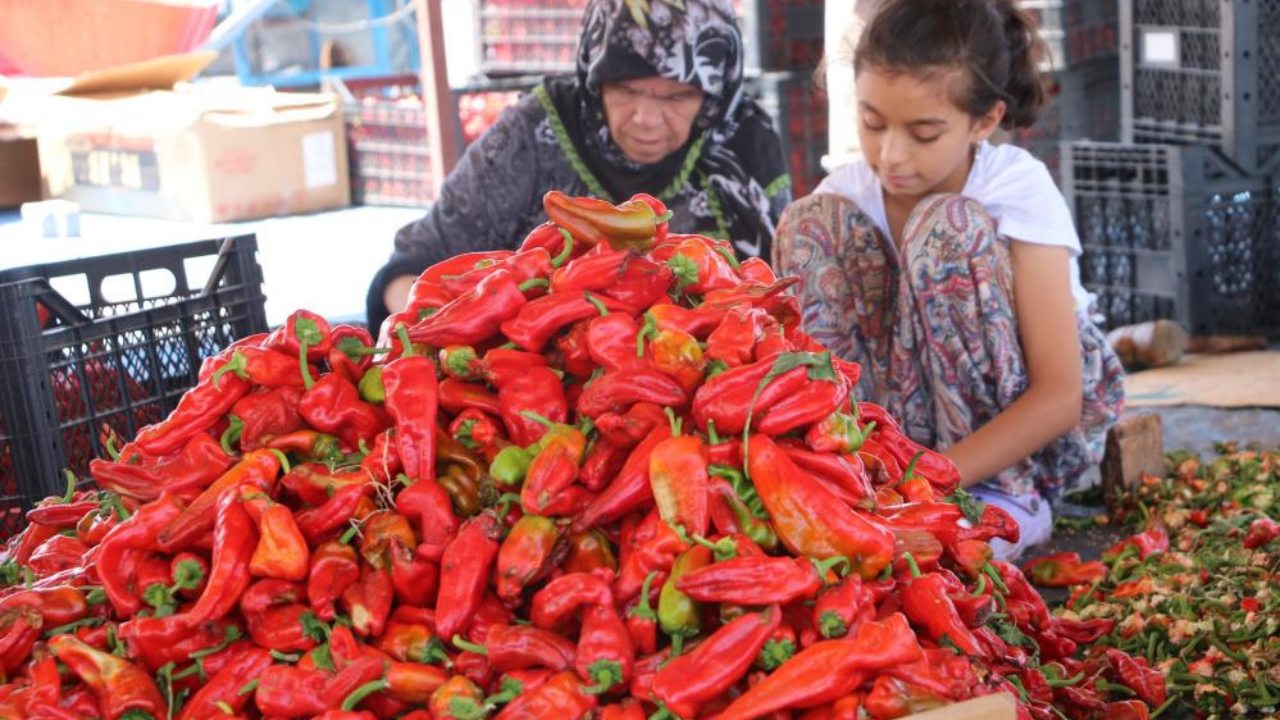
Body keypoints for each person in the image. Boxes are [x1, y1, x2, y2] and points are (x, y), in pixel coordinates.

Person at [774, 0, 1125, 559]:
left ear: (983, 122)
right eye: (872, 122)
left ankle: (1005, 497)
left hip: (1021, 443)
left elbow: (1060, 397)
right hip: (900, 459)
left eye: (924, 132)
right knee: (809, 223)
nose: (890, 154)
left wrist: (931, 479)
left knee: (946, 225)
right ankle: (849, 480)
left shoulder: (1015, 187)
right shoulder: (844, 198)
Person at [366, 0, 791, 332]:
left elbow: (777, 295)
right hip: (536, 394)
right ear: (594, 76)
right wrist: (456, 332)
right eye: (625, 90)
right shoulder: (534, 133)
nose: (645, 117)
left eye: (675, 97)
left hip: (697, 397)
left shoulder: (743, 141)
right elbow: (410, 272)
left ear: (713, 98)